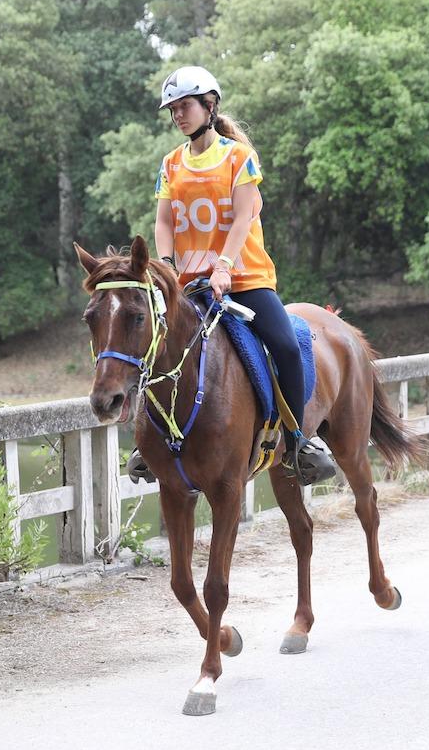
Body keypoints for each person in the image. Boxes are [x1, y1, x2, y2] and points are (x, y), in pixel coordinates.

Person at [128, 65, 335, 486]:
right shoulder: (170, 164)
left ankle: (298, 441)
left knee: (286, 345)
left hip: (245, 279)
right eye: (173, 110)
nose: (178, 115)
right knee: (148, 347)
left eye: (184, 106)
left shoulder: (239, 158)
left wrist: (223, 265)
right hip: (188, 285)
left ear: (209, 105)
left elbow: (243, 217)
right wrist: (167, 266)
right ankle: (148, 445)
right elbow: (164, 222)